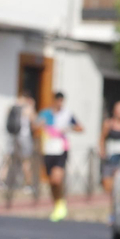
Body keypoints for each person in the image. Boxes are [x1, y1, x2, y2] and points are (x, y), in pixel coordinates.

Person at [35, 91, 83, 222]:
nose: (59, 104)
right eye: (58, 101)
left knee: (57, 178)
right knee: (51, 180)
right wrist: (40, 125)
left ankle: (61, 203)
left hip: (61, 149)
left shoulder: (67, 114)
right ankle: (57, 204)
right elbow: (35, 126)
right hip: (48, 149)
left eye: (62, 101)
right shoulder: (45, 114)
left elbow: (80, 128)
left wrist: (69, 128)